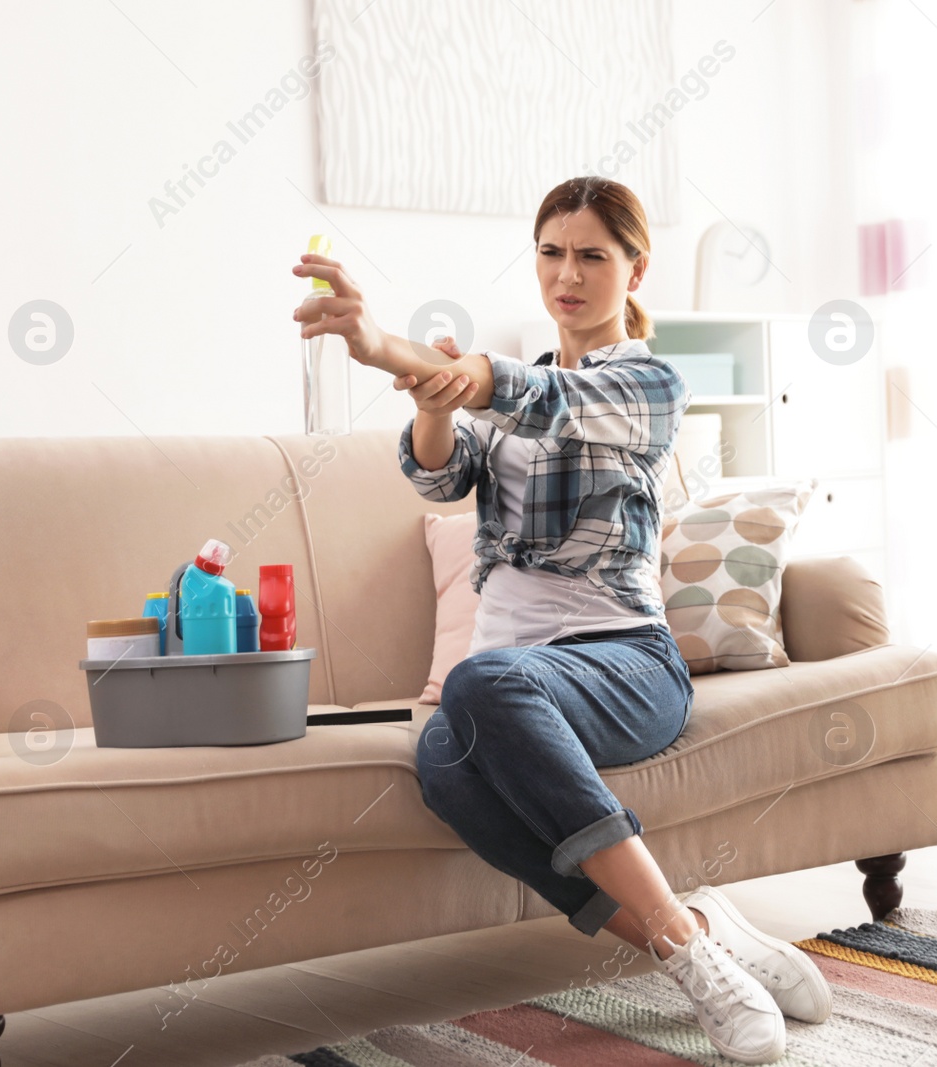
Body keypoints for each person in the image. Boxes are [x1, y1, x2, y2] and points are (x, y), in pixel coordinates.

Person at [291, 175, 829, 1063]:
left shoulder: (649, 384)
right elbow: (437, 475)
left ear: (635, 269)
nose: (566, 274)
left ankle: (690, 963)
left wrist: (388, 347)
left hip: (624, 664)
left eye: (591, 255)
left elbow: (542, 403)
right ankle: (693, 927)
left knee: (482, 682)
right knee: (447, 768)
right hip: (508, 680)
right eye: (550, 252)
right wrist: (430, 402)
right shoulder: (515, 392)